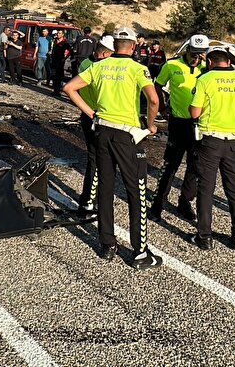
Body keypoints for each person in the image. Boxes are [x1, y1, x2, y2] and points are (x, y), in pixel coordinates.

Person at [63, 27, 162, 269]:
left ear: (115, 45)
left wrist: (91, 113)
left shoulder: (98, 66)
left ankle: (107, 244)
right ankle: (140, 252)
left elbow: (69, 88)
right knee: (135, 190)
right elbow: (154, 99)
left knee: (105, 188)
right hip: (126, 135)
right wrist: (150, 125)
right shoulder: (138, 69)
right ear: (133, 47)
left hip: (102, 131)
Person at [187, 45, 235, 251]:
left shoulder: (205, 80)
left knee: (206, 188)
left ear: (210, 62)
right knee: (234, 188)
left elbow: (194, 112)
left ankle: (205, 236)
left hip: (210, 139)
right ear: (229, 61)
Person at [149, 34, 209, 221]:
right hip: (178, 122)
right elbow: (157, 86)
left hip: (199, 124)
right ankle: (158, 203)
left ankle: (185, 202)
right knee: (170, 165)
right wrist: (163, 107)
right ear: (187, 49)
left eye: (200, 54)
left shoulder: (208, 68)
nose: (196, 58)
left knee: (194, 165)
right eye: (193, 53)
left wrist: (207, 63)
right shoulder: (172, 65)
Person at [73, 35, 115, 218]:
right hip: (95, 116)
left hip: (92, 115)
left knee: (98, 159)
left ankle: (91, 199)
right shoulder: (92, 67)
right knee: (97, 159)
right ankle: (88, 202)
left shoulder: (89, 65)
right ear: (105, 53)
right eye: (112, 55)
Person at [50, 30, 72, 96]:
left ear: (62, 35)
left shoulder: (65, 43)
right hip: (54, 60)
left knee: (59, 76)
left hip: (60, 61)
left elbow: (70, 50)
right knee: (54, 76)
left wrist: (65, 58)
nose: (58, 34)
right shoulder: (54, 41)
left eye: (59, 33)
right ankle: (55, 90)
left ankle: (58, 91)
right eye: (57, 33)